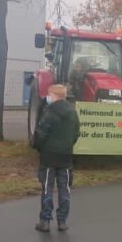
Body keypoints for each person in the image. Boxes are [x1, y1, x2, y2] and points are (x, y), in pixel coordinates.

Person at [33, 84, 80, 232]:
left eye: (50, 95)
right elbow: (76, 133)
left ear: (55, 96)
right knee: (64, 189)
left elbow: (41, 133)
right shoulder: (73, 113)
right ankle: (62, 221)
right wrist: (67, 146)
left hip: (48, 156)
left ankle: (45, 221)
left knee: (47, 188)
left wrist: (38, 147)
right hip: (65, 156)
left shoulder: (49, 112)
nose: (48, 97)